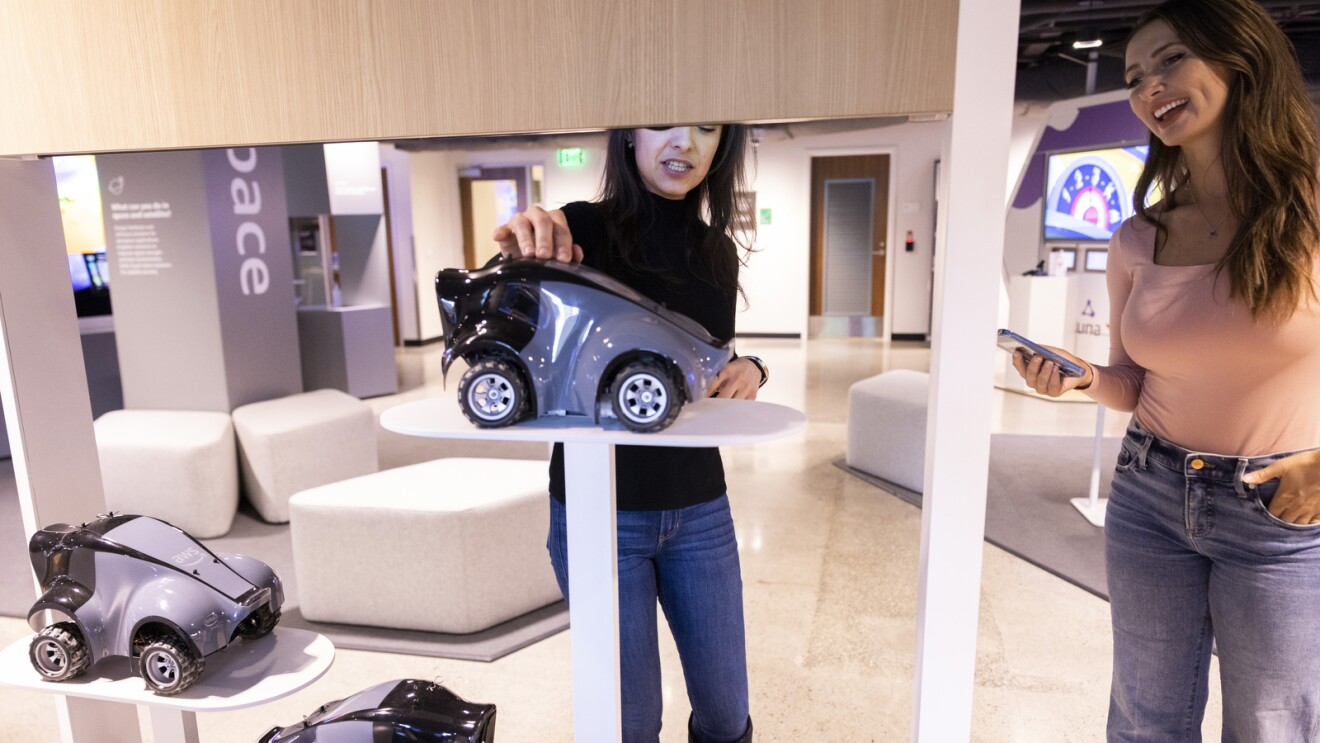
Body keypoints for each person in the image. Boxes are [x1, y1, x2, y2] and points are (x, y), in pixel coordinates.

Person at [1012, 0, 1320, 739]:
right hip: (1150, 493)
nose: (1151, 85)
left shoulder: (1308, 212)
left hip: (1280, 510)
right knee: (1145, 718)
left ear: (1240, 61)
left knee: (1273, 723)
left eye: (1172, 59)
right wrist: (1084, 378)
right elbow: (1133, 382)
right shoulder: (1137, 237)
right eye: (1134, 75)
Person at [493, 124, 762, 743]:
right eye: (665, 120)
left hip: (700, 509)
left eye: (706, 126)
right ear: (628, 134)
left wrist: (752, 366)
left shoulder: (715, 252)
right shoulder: (576, 231)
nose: (685, 143)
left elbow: (701, 362)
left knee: (726, 714)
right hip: (598, 514)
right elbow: (514, 319)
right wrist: (521, 245)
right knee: (631, 723)